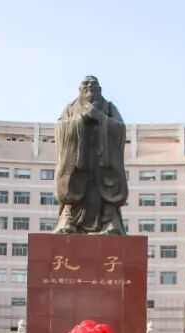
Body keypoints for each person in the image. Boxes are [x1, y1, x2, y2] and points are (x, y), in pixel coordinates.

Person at [52, 75, 128, 235]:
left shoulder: (109, 107)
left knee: (105, 190)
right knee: (74, 187)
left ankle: (109, 221)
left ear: (100, 89)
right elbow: (60, 128)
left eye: (93, 83)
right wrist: (83, 118)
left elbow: (120, 128)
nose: (90, 85)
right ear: (80, 89)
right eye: (86, 83)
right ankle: (69, 221)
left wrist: (101, 118)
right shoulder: (70, 108)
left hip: (102, 159)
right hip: (78, 158)